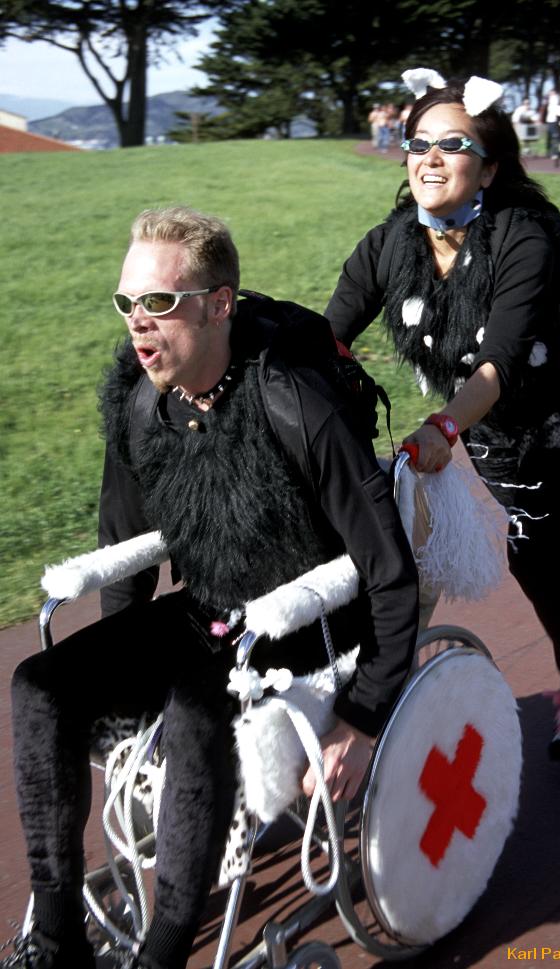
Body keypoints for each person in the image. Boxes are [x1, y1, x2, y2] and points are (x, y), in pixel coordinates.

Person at [6, 206, 419, 969]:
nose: (138, 320)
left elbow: (391, 571)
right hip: (211, 615)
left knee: (198, 712)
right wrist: (121, 684)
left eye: (160, 301)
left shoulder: (295, 403)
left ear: (218, 304)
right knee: (39, 686)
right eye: (127, 301)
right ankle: (56, 936)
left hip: (307, 624)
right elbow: (125, 551)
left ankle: (163, 953)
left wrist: (362, 719)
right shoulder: (140, 403)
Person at [324, 70, 560, 764]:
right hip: (482, 422)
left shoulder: (524, 236)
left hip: (552, 406)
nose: (430, 158)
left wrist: (442, 426)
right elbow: (328, 337)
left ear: (489, 166)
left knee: (532, 545)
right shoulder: (390, 243)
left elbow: (499, 361)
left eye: (453, 144)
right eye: (418, 143)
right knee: (545, 532)